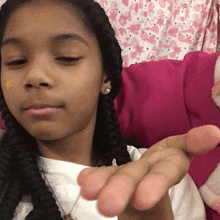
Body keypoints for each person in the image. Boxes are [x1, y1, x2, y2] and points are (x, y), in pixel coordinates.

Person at [0, 0, 219, 219]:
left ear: (105, 77)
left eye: (67, 57)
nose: (35, 76)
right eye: (15, 61)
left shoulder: (163, 180)